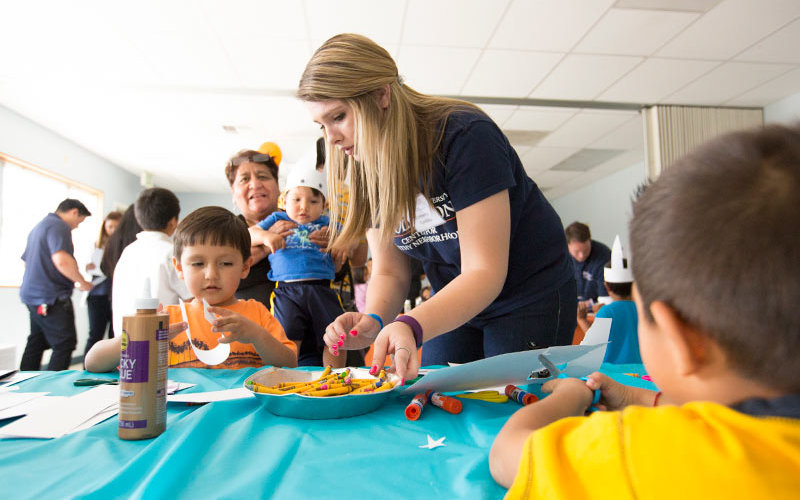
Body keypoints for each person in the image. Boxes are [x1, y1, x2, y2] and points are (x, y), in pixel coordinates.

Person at [489, 124, 800, 498]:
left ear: (682, 338)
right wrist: (638, 397)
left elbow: (507, 455)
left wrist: (569, 395)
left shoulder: (651, 454)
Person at [299, 34, 576, 379]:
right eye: (321, 125)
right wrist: (373, 320)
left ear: (382, 95)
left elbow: (484, 271)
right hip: (457, 298)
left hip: (528, 292)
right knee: (433, 392)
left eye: (338, 117)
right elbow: (390, 270)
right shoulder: (362, 166)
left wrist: (413, 325)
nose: (332, 139)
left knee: (512, 401)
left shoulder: (464, 136)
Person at [85, 207, 297, 372]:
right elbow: (93, 362)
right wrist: (140, 336)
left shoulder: (256, 315)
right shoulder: (167, 319)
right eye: (197, 264)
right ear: (179, 268)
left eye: (226, 264)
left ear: (245, 267)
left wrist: (257, 336)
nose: (211, 274)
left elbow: (290, 364)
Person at [249, 158, 344, 368]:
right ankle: (287, 375)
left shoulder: (327, 223)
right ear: (284, 201)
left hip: (323, 289)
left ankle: (338, 375)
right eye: (297, 200)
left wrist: (339, 241)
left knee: (335, 335)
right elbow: (250, 234)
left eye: (313, 201)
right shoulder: (276, 219)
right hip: (287, 290)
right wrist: (266, 237)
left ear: (324, 205)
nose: (304, 207)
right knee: (288, 335)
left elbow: (351, 238)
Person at [225, 147, 330, 307]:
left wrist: (335, 245)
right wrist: (268, 242)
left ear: (279, 188)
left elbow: (339, 267)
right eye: (244, 179)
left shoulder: (308, 221)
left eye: (262, 176)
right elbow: (222, 273)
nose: (255, 184)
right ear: (233, 194)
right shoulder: (225, 232)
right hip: (246, 327)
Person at [19, 199, 93, 370]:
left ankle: (23, 383)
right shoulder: (59, 226)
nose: (77, 226)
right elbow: (61, 260)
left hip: (33, 295)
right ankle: (54, 389)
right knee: (64, 343)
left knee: (36, 341)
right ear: (74, 212)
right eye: (79, 221)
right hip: (50, 297)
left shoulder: (39, 227)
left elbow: (26, 262)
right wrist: (82, 282)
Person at [111, 188, 191, 337]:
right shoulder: (171, 253)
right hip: (159, 343)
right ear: (174, 222)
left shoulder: (128, 251)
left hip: (124, 341)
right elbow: (193, 297)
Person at [592, 236, 640, 364]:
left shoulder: (606, 312)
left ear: (606, 286)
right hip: (642, 374)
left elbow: (592, 349)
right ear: (633, 284)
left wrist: (583, 320)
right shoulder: (643, 310)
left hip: (611, 376)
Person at [83, 210, 122, 357]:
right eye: (109, 226)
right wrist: (87, 267)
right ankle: (88, 368)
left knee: (115, 334)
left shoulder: (124, 247)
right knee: (95, 334)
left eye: (115, 227)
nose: (112, 230)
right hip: (96, 295)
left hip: (115, 296)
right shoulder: (96, 246)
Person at [565, 221, 611, 307]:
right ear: (567, 246)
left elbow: (605, 300)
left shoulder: (604, 256)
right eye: (576, 252)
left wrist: (584, 306)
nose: (581, 255)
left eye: (585, 250)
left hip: (597, 311)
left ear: (590, 241)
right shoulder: (560, 256)